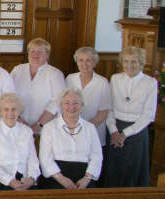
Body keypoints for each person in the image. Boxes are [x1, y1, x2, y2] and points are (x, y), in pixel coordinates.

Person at [104, 47, 157, 187]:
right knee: (113, 170)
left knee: (131, 172)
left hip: (137, 132)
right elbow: (109, 108)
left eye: (134, 61)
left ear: (141, 63)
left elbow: (148, 115)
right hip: (115, 129)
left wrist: (124, 134)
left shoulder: (150, 83)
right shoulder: (115, 79)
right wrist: (114, 131)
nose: (130, 65)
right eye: (126, 61)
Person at [38, 88, 102, 189]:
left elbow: (97, 156)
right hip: (55, 177)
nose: (71, 107)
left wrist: (87, 178)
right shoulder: (49, 127)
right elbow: (45, 158)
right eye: (67, 103)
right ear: (61, 105)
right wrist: (61, 179)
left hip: (84, 178)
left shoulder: (90, 127)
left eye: (76, 103)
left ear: (82, 105)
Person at [0, 93, 40, 191]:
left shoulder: (27, 131)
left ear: (19, 112)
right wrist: (9, 181)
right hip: (1, 182)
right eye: (6, 109)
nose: (10, 113)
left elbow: (33, 160)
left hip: (25, 182)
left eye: (14, 109)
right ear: (0, 112)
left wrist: (31, 178)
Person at [11, 38, 65, 134]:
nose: (35, 55)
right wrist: (18, 119)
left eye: (40, 52)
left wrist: (39, 125)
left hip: (45, 128)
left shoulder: (55, 74)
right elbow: (9, 96)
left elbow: (57, 103)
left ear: (47, 55)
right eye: (32, 51)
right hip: (18, 124)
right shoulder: (17, 70)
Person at [65, 47, 111, 147]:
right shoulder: (70, 78)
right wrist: (72, 127)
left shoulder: (102, 82)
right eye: (81, 60)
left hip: (94, 130)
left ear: (94, 63)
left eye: (88, 60)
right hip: (71, 130)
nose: (84, 64)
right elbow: (64, 105)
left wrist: (85, 127)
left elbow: (104, 111)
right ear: (76, 62)